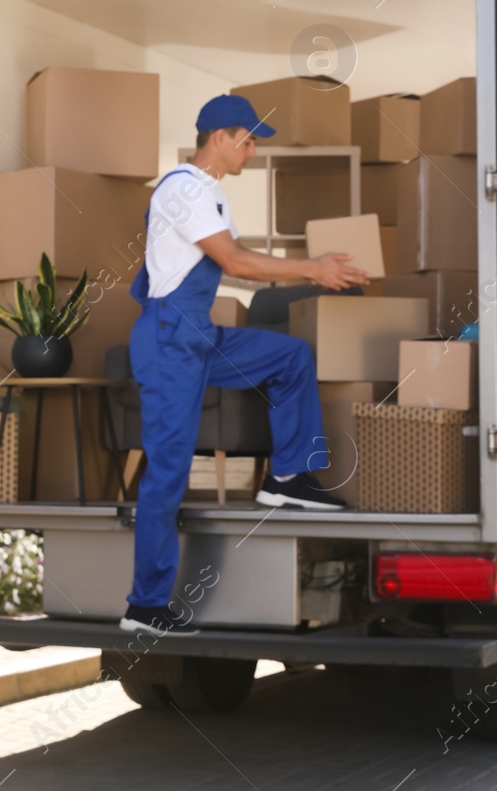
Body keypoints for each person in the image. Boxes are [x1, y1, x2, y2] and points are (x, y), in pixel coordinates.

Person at [120, 94, 369, 637]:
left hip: (195, 334)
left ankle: (286, 476)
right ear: (220, 137)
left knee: (289, 356)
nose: (253, 152)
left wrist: (313, 270)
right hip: (169, 340)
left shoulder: (208, 194)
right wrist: (313, 269)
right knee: (168, 472)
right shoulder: (185, 188)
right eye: (249, 140)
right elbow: (234, 262)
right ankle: (145, 605)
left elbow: (231, 262)